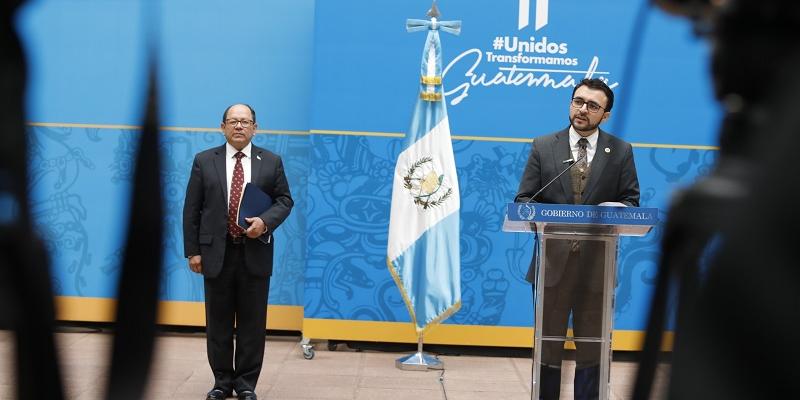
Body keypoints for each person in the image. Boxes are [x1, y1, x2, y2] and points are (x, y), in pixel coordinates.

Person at [514, 78, 640, 400]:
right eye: (578, 101)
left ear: (605, 115)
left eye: (592, 105)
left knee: (592, 349)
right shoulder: (544, 146)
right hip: (552, 266)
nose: (582, 109)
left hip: (597, 266)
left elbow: (631, 202)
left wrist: (618, 210)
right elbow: (524, 200)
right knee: (548, 346)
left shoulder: (620, 151)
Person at [183, 104, 293, 400]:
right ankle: (221, 382)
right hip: (216, 254)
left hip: (254, 252)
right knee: (217, 323)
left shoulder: (271, 161)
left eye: (245, 121)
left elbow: (284, 200)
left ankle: (245, 384)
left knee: (252, 324)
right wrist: (193, 251)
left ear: (255, 127)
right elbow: (192, 209)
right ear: (222, 127)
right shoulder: (204, 160)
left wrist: (264, 223)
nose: (239, 126)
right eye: (233, 121)